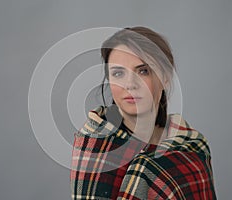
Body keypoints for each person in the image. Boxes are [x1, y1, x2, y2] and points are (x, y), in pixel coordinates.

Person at [70, 26, 216, 199]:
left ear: (165, 78)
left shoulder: (191, 144)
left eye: (143, 71)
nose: (130, 84)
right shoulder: (96, 147)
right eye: (118, 73)